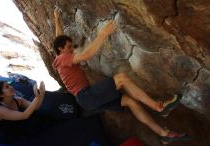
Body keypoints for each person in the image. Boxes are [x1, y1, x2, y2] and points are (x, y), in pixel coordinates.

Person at [52, 7, 188, 144]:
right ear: (61, 49)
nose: (72, 49)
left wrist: (57, 19)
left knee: (130, 101)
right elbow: (86, 55)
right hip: (86, 96)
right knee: (121, 78)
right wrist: (103, 34)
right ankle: (158, 107)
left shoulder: (59, 58)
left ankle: (163, 134)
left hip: (87, 100)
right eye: (69, 47)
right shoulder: (63, 59)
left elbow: (58, 39)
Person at [0, 81, 45, 146]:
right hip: (7, 143)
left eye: (9, 85)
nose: (11, 87)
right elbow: (24, 115)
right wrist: (37, 97)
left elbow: (36, 107)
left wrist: (41, 94)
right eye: (7, 87)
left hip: (20, 137)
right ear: (0, 95)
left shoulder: (18, 100)